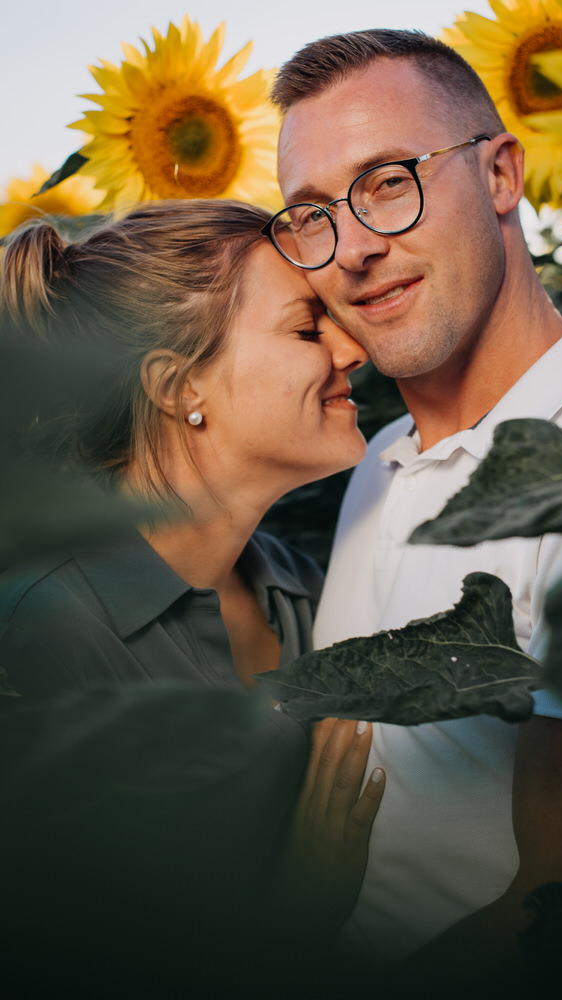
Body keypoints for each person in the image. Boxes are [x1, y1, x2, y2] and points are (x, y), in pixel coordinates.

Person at [263, 28, 562, 994]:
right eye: (311, 212)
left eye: (389, 180)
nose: (353, 248)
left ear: (499, 175)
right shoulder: (378, 460)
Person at [0, 200, 384, 995]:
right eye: (308, 329)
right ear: (178, 387)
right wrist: (298, 914)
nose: (354, 348)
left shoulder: (304, 586)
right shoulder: (38, 639)